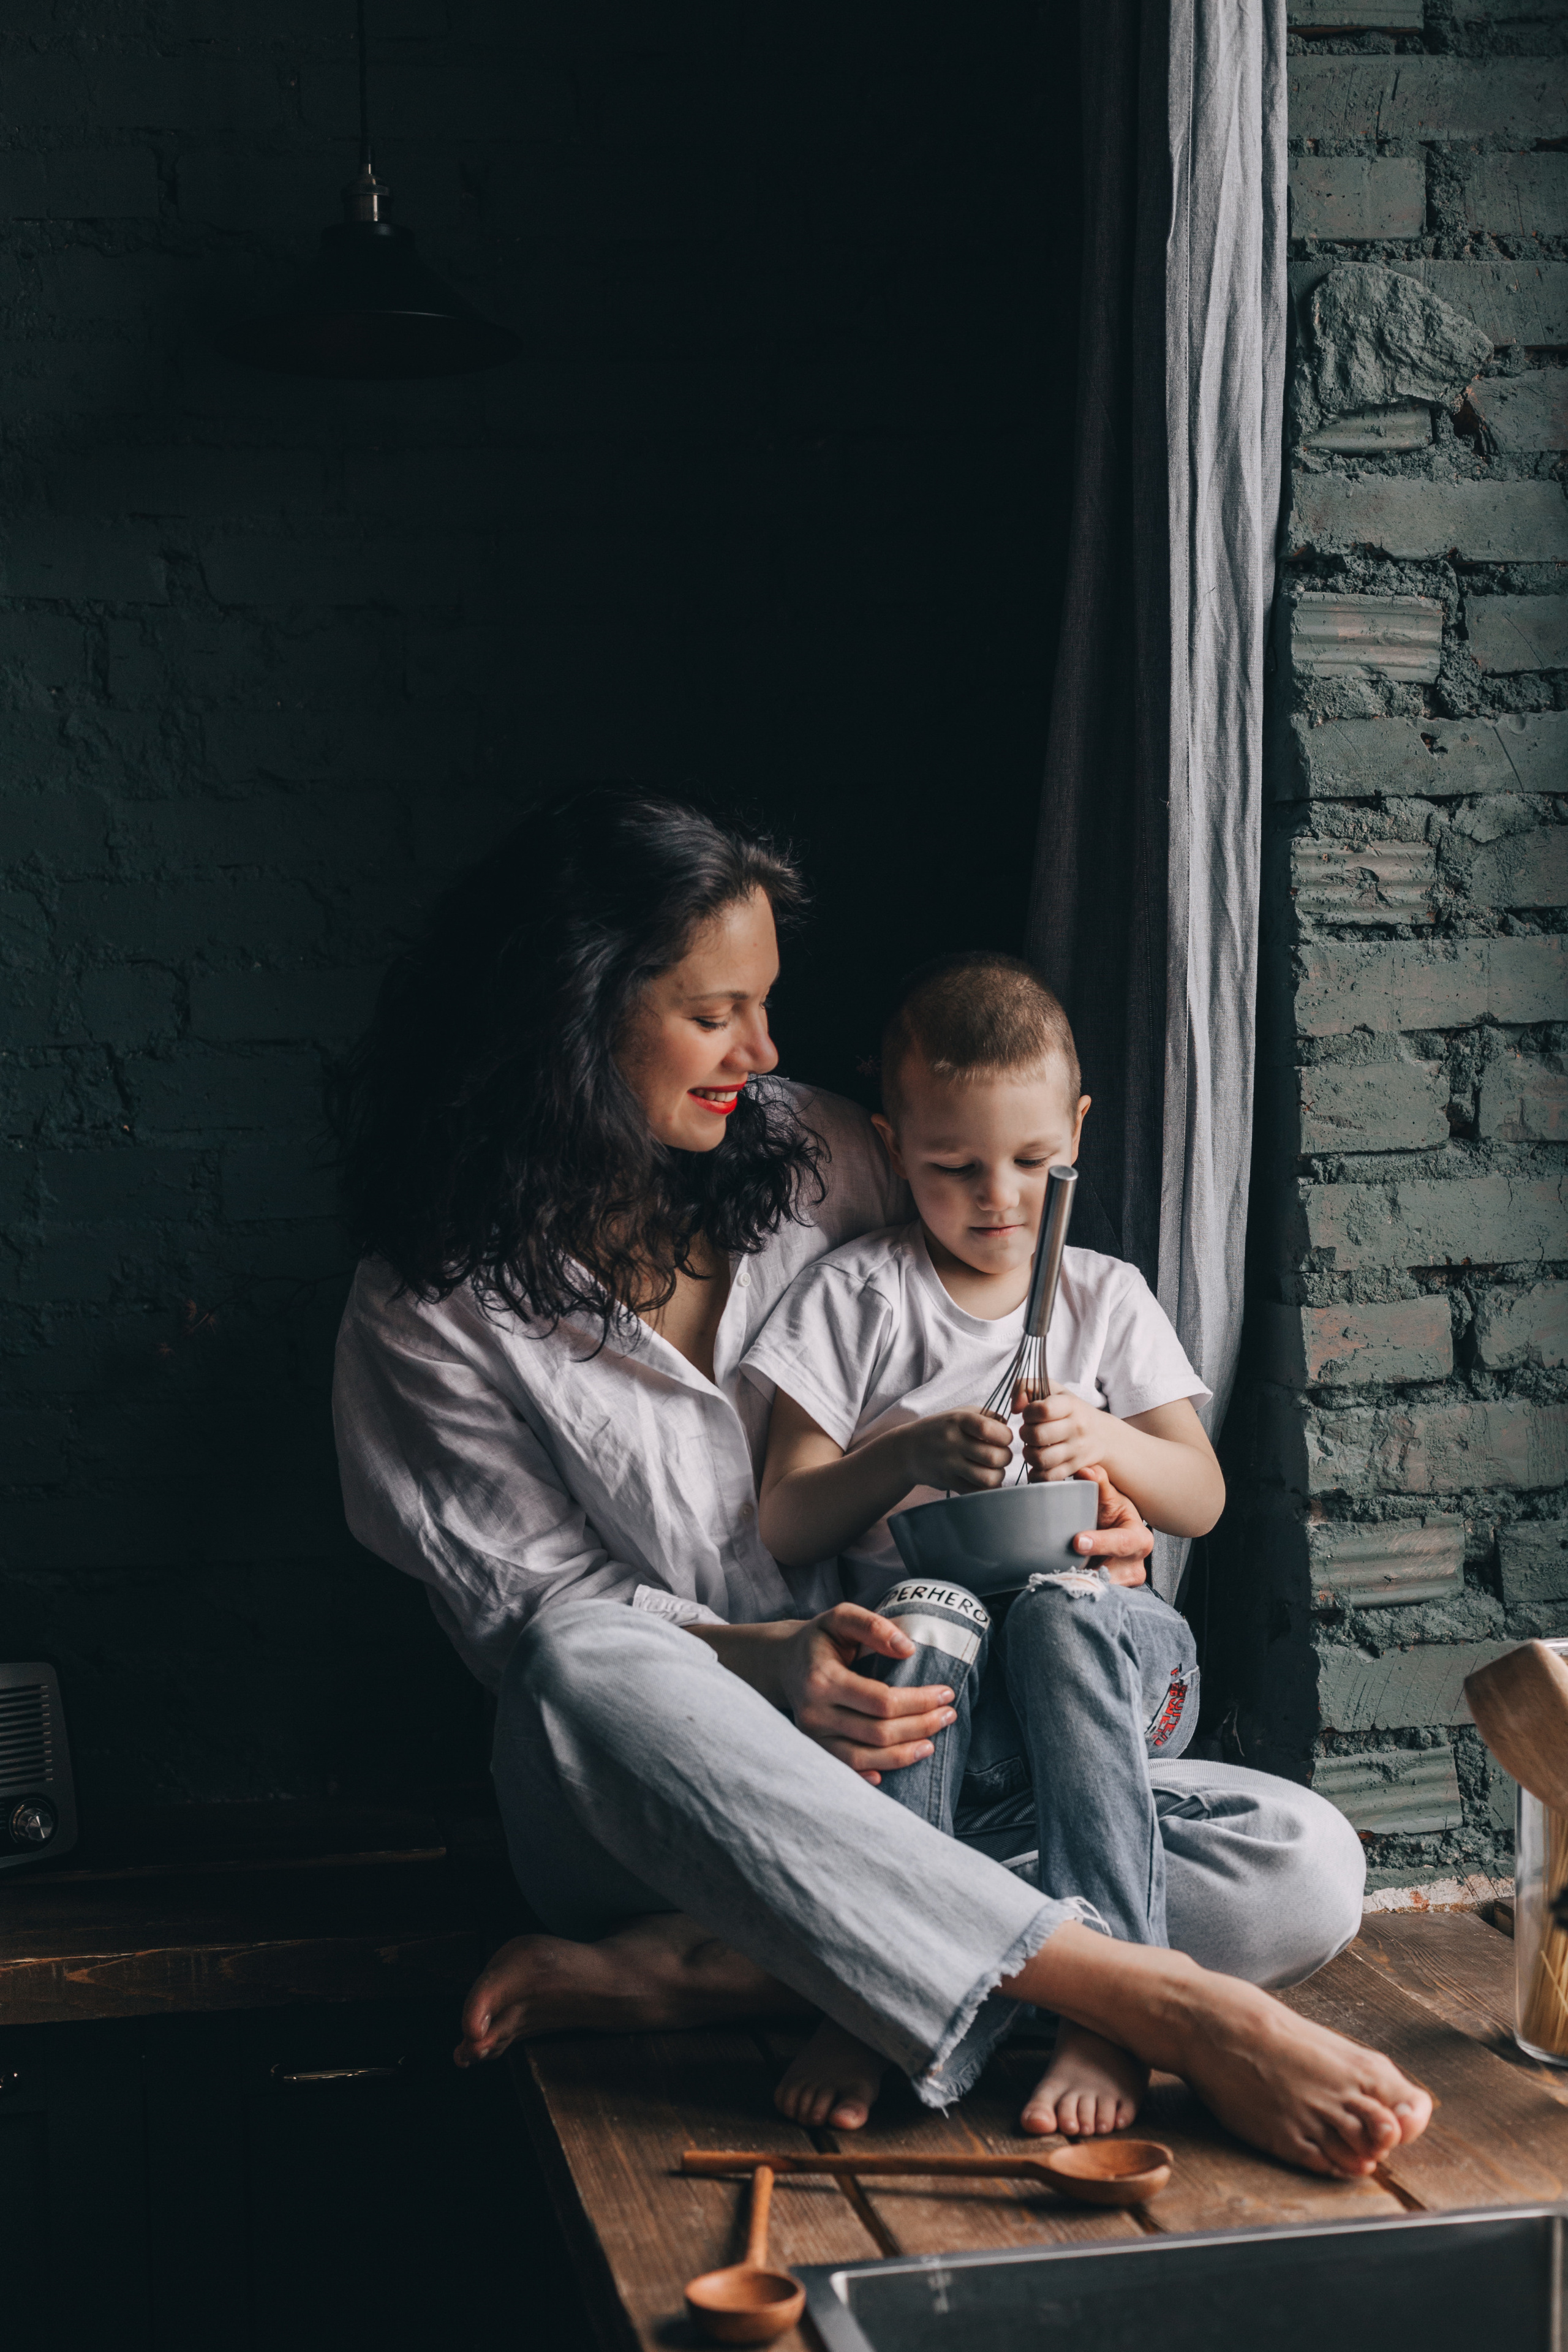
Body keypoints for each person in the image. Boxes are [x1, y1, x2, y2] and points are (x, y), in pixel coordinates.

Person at [331, 786, 1431, 2179]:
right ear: (576, 1015)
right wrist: (768, 1661)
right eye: (715, 1011)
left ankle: (727, 1975)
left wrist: (1106, 1525)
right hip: (675, 1807)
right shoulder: (426, 1305)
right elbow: (527, 1623)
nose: (764, 1048)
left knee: (1301, 1858)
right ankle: (1147, 1994)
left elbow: (975, 1312)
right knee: (572, 1660)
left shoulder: (818, 1153)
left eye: (767, 1004)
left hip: (936, 1756)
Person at [744, 952, 1223, 2136]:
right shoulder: (858, 1297)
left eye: (1031, 1163)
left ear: (1078, 1134)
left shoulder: (1107, 1298)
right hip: (940, 1711)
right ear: (891, 1143)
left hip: (1113, 1676)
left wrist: (1108, 1438)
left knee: (1061, 1608)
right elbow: (786, 1518)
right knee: (926, 1610)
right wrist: (901, 1460)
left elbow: (1200, 1494)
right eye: (953, 1167)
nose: (997, 1198)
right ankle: (884, 1988)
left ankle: (1117, 2011)